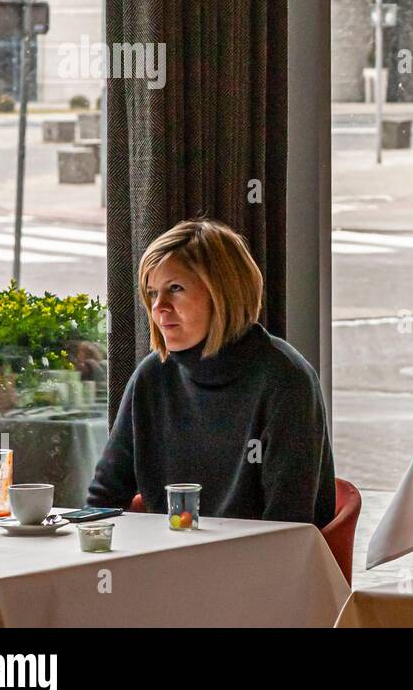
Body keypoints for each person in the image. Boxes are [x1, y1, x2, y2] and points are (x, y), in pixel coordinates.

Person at [88, 219, 335, 528]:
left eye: (175, 289)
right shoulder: (152, 376)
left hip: (259, 565)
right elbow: (105, 497)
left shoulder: (284, 379)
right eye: (152, 293)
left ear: (224, 293)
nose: (158, 308)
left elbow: (289, 523)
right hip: (168, 560)